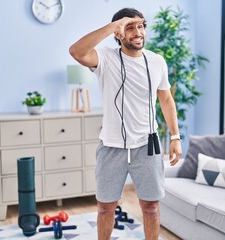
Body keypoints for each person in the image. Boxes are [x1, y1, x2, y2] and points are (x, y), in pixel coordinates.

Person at [69, 7, 182, 240]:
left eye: (141, 26)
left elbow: (166, 99)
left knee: (151, 207)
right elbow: (76, 51)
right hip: (111, 147)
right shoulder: (105, 58)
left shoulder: (157, 62)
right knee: (105, 208)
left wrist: (175, 137)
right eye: (130, 27)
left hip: (147, 147)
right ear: (119, 34)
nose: (138, 32)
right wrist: (113, 25)